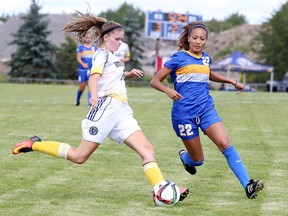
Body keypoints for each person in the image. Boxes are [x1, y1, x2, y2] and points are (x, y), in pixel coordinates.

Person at [11, 11, 189, 203]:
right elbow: (94, 78)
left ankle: (160, 190)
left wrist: (127, 74)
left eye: (121, 39)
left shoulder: (112, 58)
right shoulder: (101, 55)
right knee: (79, 156)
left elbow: (110, 76)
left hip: (121, 111)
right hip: (106, 108)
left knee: (147, 150)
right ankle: (34, 144)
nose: (120, 42)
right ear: (106, 38)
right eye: (117, 39)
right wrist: (94, 97)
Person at [150, 21, 264, 199]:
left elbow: (210, 74)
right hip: (184, 115)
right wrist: (168, 91)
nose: (198, 41)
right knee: (198, 160)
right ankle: (186, 158)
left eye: (202, 39)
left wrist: (232, 82)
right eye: (195, 38)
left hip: (206, 110)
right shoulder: (178, 58)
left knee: (225, 144)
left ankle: (248, 185)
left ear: (206, 41)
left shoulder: (205, 58)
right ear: (188, 38)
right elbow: (155, 81)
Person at [75, 32, 97, 106]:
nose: (88, 39)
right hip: (82, 70)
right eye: (87, 37)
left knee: (91, 86)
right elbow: (78, 58)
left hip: (91, 70)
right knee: (82, 86)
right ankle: (77, 101)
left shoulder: (94, 48)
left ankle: (89, 103)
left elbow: (96, 58)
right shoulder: (80, 47)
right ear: (84, 38)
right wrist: (83, 64)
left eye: (90, 38)